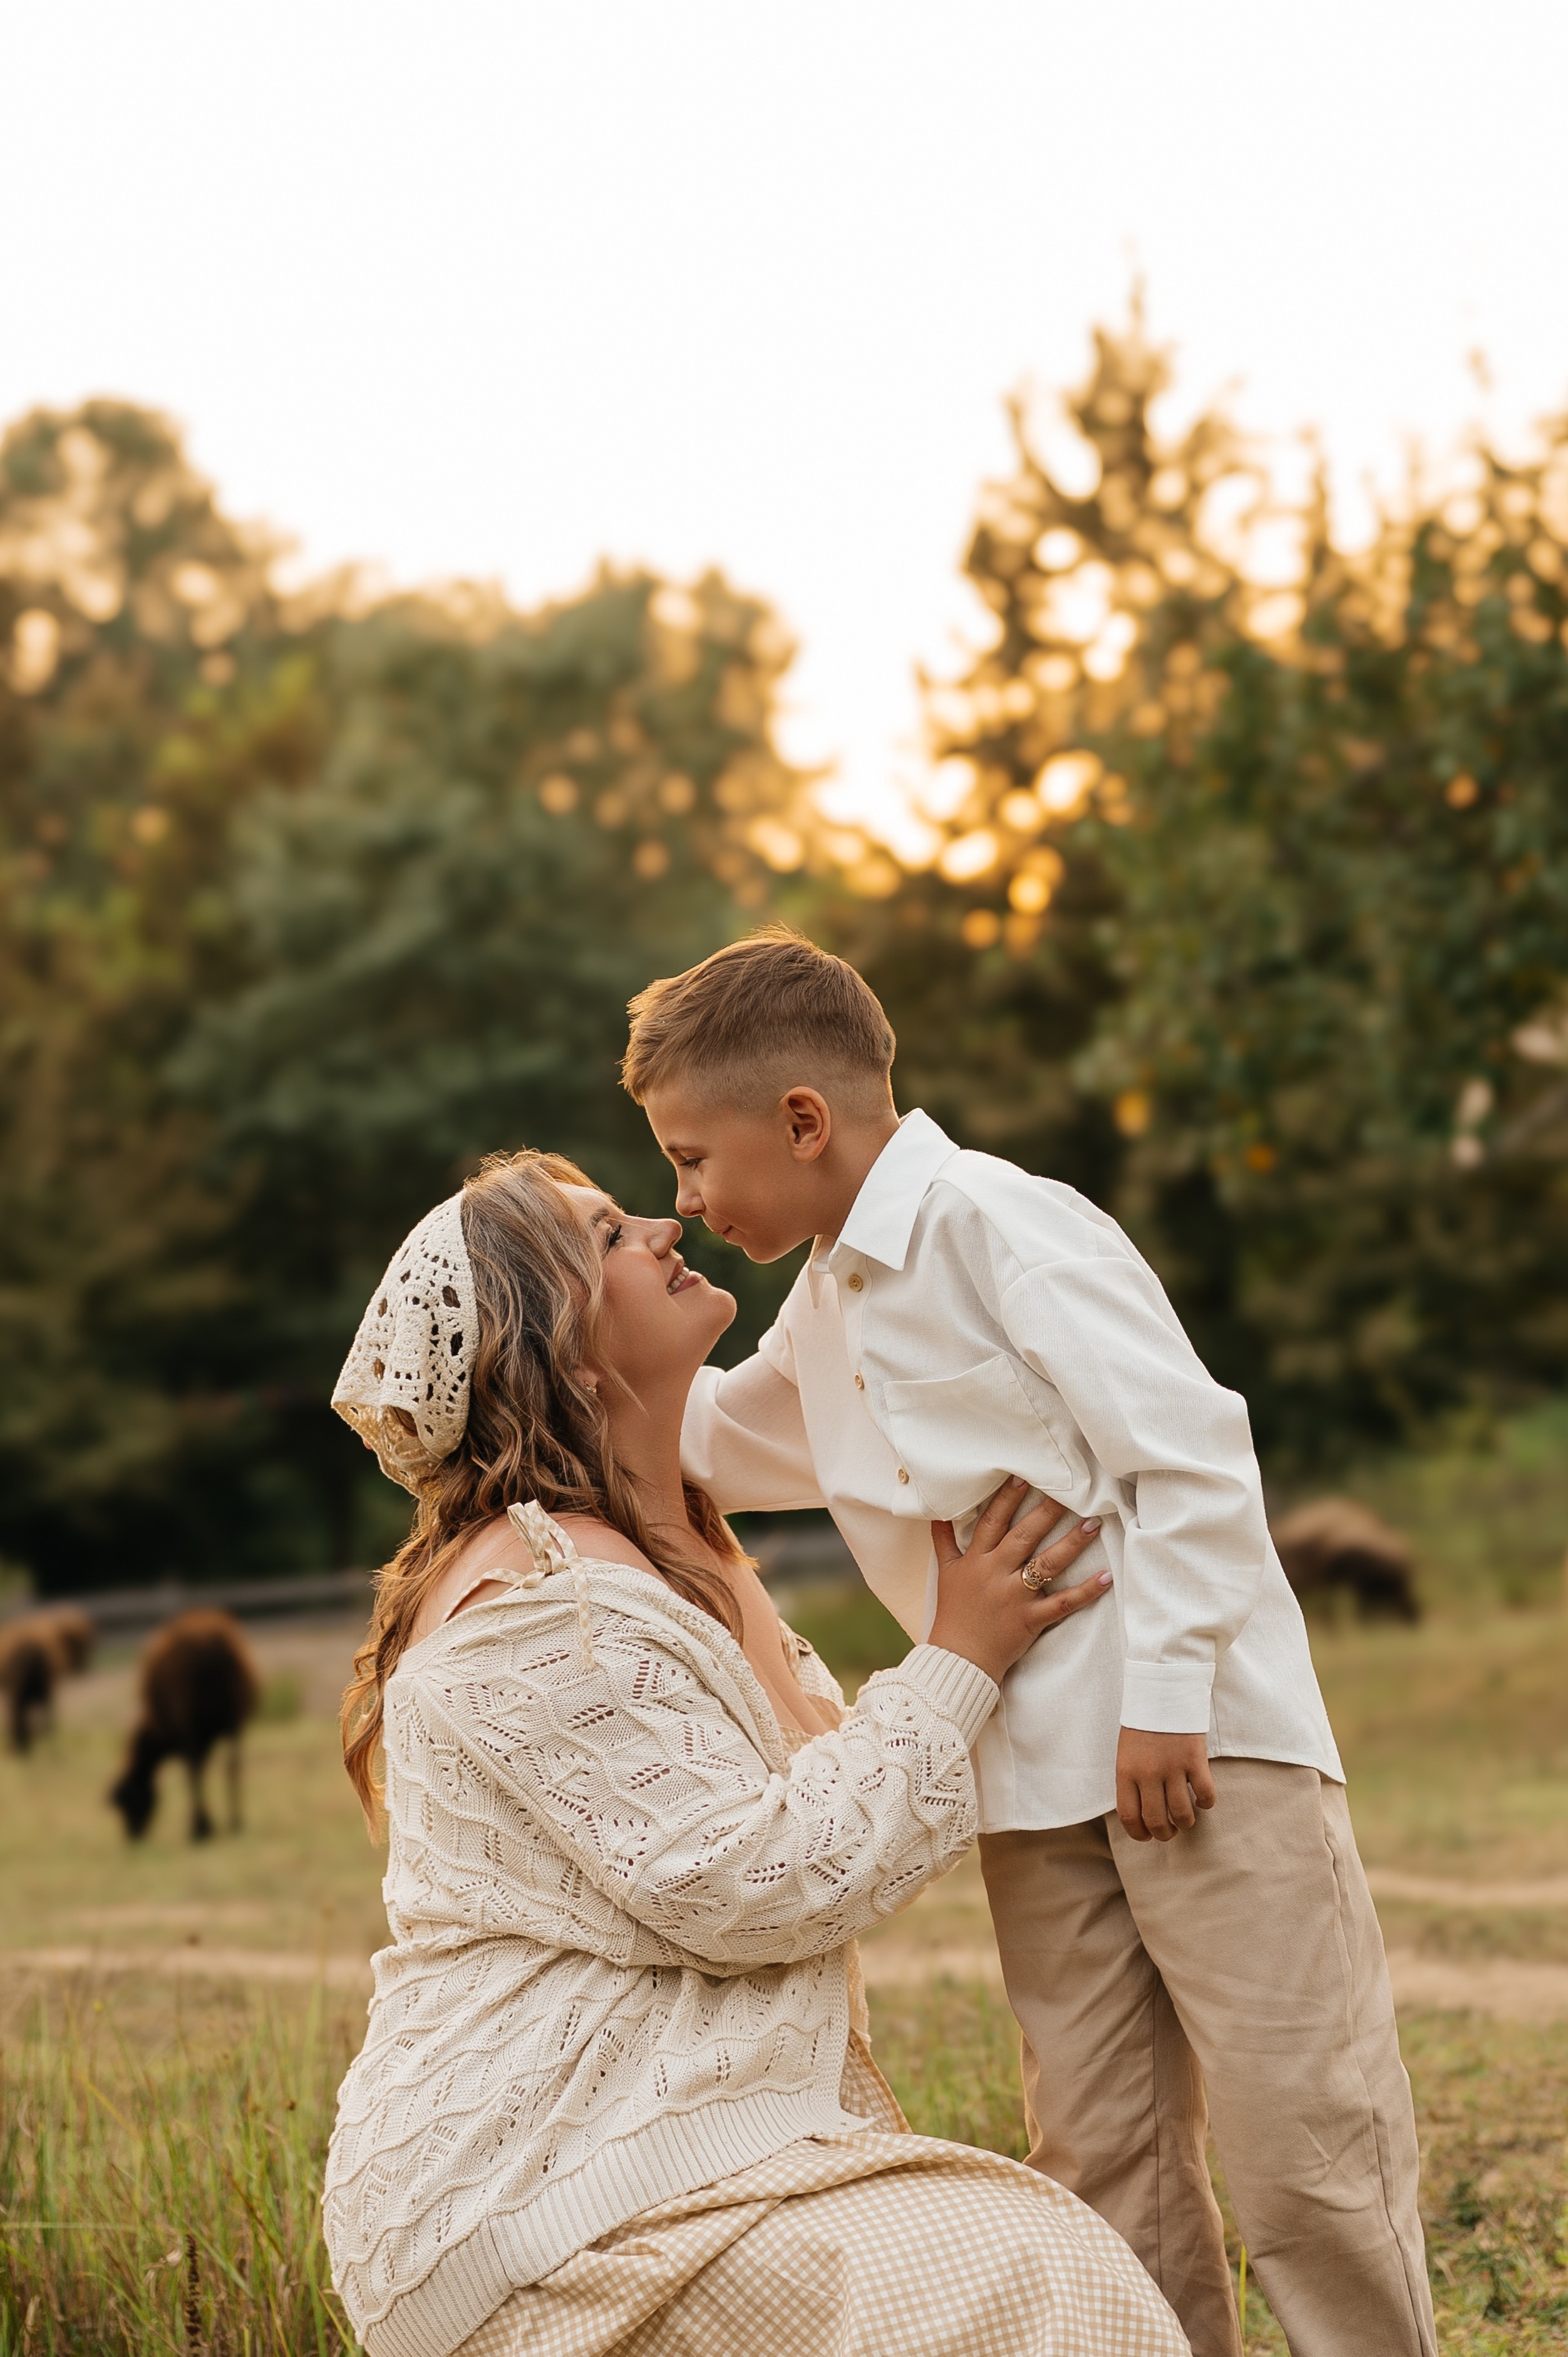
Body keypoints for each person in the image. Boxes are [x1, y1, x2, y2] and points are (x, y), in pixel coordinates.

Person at [623, 928, 1438, 2357]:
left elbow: (1190, 1455)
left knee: (1303, 2147)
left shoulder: (1000, 1223)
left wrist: (1168, 1699)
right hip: (1031, 1789)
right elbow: (717, 1443)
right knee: (1104, 2163)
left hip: (1199, 1751)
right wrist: (554, 1355)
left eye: (694, 1157)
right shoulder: (824, 1304)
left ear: (801, 1121)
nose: (682, 1197)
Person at [323, 1150, 1189, 2357]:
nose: (664, 1230)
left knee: (1032, 2265)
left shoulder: (672, 1558)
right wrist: (960, 1656)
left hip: (656, 2156)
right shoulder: (534, 1608)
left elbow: (820, 1804)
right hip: (541, 2189)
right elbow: (759, 1878)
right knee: (1040, 2281)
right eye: (611, 1236)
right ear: (562, 1349)